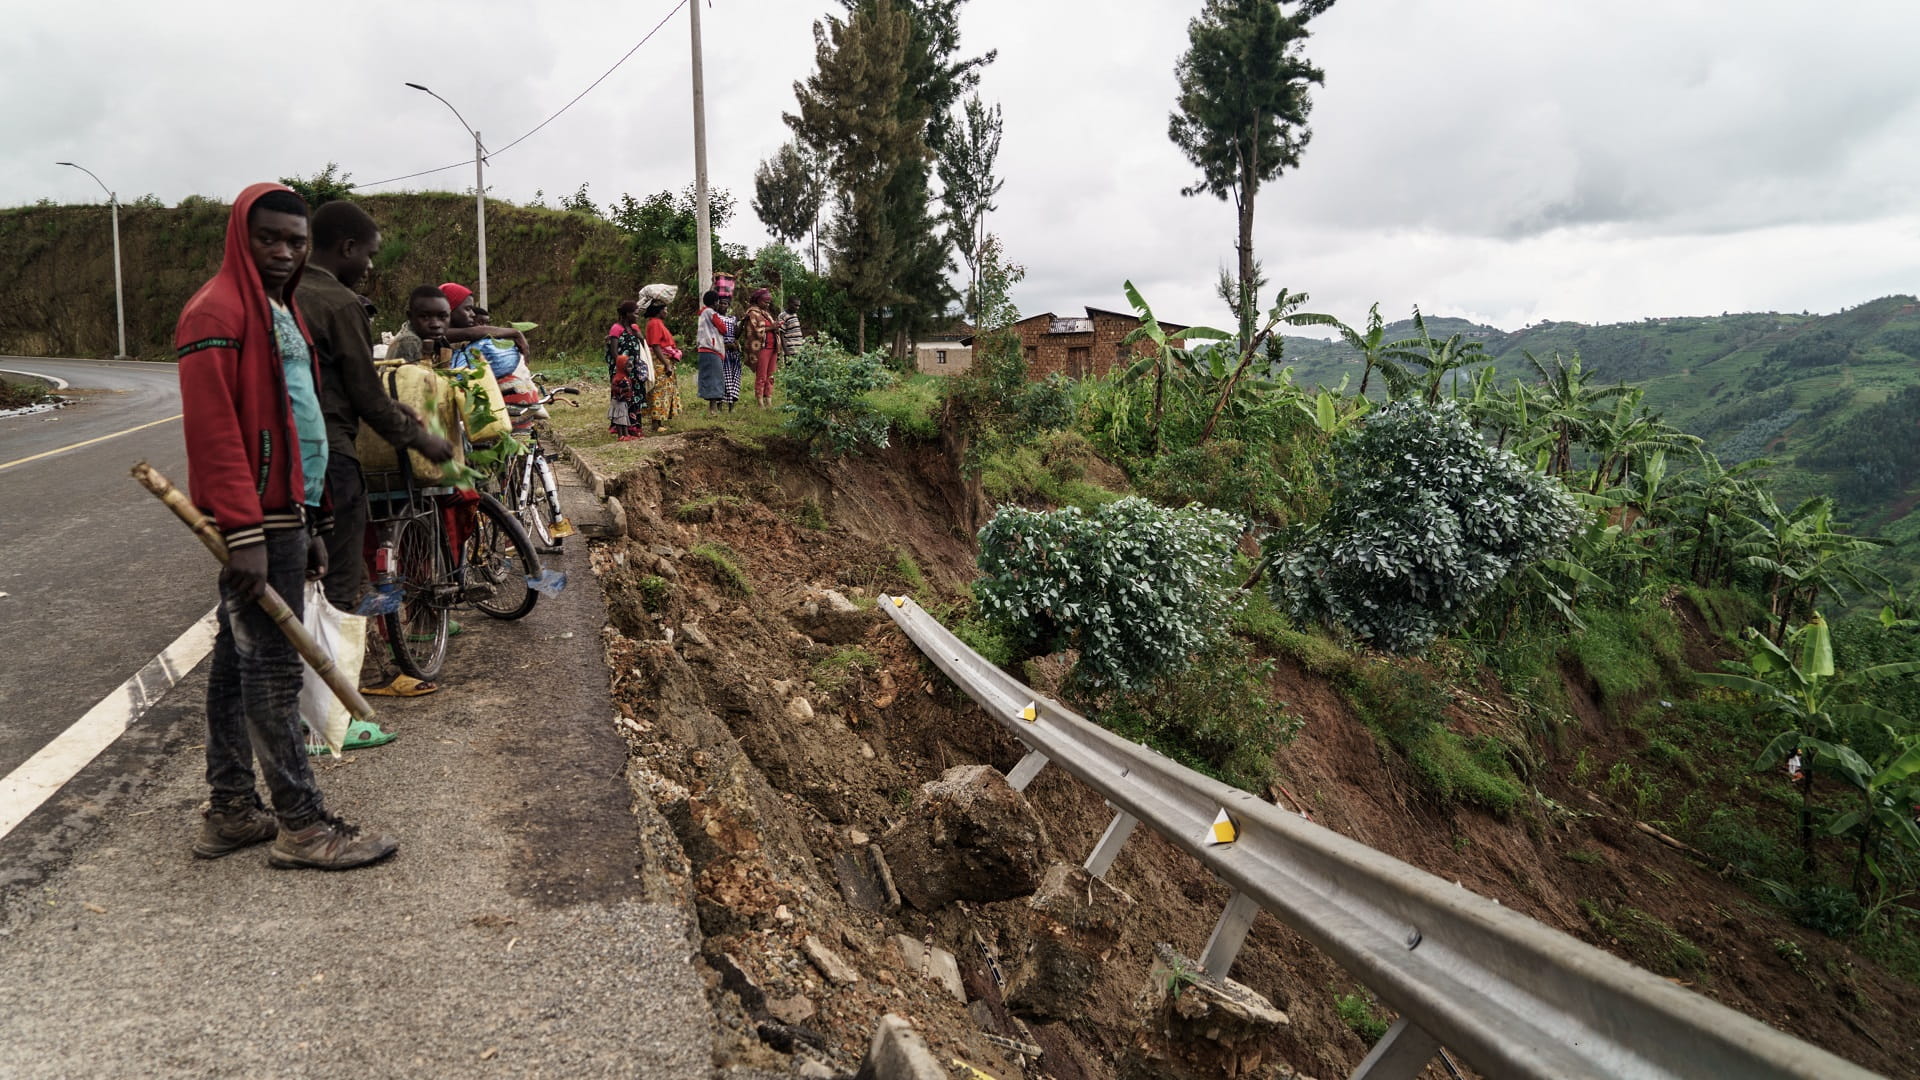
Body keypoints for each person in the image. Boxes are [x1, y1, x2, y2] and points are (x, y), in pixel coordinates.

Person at [175, 182, 397, 870]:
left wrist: (315, 522)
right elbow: (216, 432)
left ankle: (233, 810)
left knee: (235, 669)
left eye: (295, 241)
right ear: (240, 235)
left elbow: (299, 420)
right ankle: (302, 826)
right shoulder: (215, 312)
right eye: (268, 238)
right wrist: (245, 532)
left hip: (286, 514)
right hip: (257, 521)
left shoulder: (280, 309)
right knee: (269, 671)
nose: (282, 251)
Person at [296, 201, 455, 618]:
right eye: (369, 254)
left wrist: (398, 409)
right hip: (330, 456)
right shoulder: (340, 303)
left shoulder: (287, 293)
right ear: (348, 248)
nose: (369, 266)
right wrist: (423, 440)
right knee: (340, 580)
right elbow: (364, 395)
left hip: (283, 454)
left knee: (294, 573)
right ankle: (345, 674)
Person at [606, 299, 650, 440]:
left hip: (634, 369)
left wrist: (640, 336)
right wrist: (622, 368)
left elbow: (643, 345)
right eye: (635, 313)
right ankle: (622, 430)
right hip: (622, 370)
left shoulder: (634, 328)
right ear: (626, 314)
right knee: (624, 398)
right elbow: (614, 352)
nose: (637, 316)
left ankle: (635, 427)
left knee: (635, 397)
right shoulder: (616, 329)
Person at [641, 289, 683, 433]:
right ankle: (656, 423)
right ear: (658, 311)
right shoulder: (655, 324)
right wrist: (666, 363)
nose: (667, 312)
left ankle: (659, 421)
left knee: (663, 391)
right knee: (658, 392)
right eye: (665, 309)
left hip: (663, 360)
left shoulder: (657, 323)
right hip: (659, 362)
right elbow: (656, 345)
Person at [742, 288, 780, 409]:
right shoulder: (752, 313)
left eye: (769, 302)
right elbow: (752, 331)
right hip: (762, 348)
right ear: (758, 300)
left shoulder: (766, 314)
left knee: (771, 375)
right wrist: (771, 328)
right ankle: (760, 402)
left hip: (773, 347)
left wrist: (777, 327)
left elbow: (772, 328)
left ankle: (769, 399)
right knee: (762, 375)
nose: (767, 304)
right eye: (765, 302)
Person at [696, 289, 732, 414]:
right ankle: (713, 408)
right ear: (715, 302)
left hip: (703, 349)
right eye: (718, 302)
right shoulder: (712, 313)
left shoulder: (702, 312)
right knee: (715, 378)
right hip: (711, 349)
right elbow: (723, 329)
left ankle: (713, 407)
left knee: (709, 377)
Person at [780, 295, 804, 360]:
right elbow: (781, 335)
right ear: (789, 304)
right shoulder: (783, 316)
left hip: (799, 350)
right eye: (795, 305)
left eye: (798, 306)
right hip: (790, 351)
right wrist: (786, 352)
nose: (797, 308)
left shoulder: (794, 314)